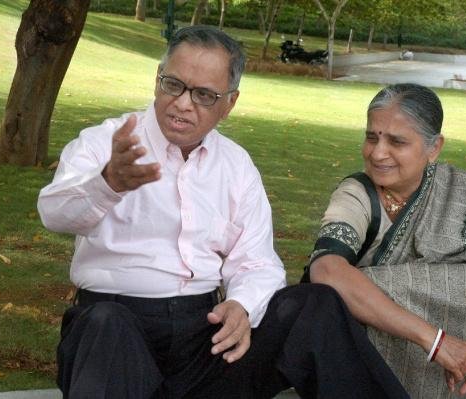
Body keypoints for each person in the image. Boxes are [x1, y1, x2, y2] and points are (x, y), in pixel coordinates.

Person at [38, 26, 408, 399]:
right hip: (115, 334)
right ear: (156, 80)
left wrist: (241, 306)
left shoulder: (235, 165)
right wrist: (108, 183)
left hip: (206, 340)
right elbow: (55, 213)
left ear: (229, 103)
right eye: (173, 85)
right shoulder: (105, 142)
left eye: (203, 95)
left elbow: (257, 263)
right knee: (105, 324)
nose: (183, 103)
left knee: (314, 305)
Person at [304, 83, 466, 398]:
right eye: (371, 137)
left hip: (465, 355)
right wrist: (435, 340)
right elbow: (327, 270)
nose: (378, 153)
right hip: (368, 355)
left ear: (434, 147)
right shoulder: (358, 196)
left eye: (397, 141)